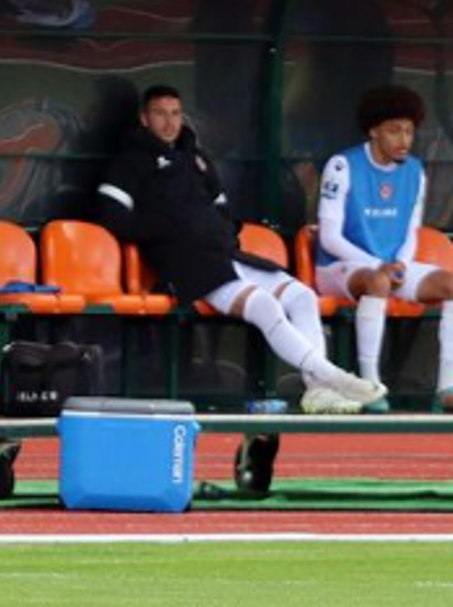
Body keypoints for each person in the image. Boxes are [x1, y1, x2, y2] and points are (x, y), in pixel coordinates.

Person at [96, 84, 386, 414]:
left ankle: (318, 390)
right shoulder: (129, 161)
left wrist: (220, 231)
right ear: (144, 118)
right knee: (264, 306)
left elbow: (222, 209)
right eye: (160, 114)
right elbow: (112, 218)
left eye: (175, 113)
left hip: (227, 254)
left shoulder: (196, 158)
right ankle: (332, 376)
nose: (169, 122)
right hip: (186, 264)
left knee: (302, 296)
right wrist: (168, 229)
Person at [316, 85, 453, 412]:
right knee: (377, 282)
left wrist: (401, 265)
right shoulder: (342, 165)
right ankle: (370, 386)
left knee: (451, 283)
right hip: (339, 267)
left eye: (408, 130)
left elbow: (411, 231)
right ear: (374, 130)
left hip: (390, 266)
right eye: (394, 131)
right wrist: (379, 265)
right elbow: (329, 238)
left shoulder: (416, 170)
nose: (404, 139)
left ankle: (446, 388)